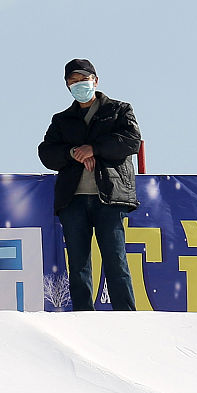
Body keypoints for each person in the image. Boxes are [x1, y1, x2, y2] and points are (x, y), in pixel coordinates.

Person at [38, 58, 141, 311]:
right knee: (78, 263)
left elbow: (131, 141)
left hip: (109, 197)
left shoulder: (118, 110)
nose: (79, 84)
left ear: (95, 80)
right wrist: (73, 152)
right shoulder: (62, 120)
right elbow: (46, 153)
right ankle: (83, 316)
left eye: (83, 79)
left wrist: (94, 148)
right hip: (72, 200)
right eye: (73, 81)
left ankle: (126, 315)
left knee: (115, 260)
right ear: (67, 86)